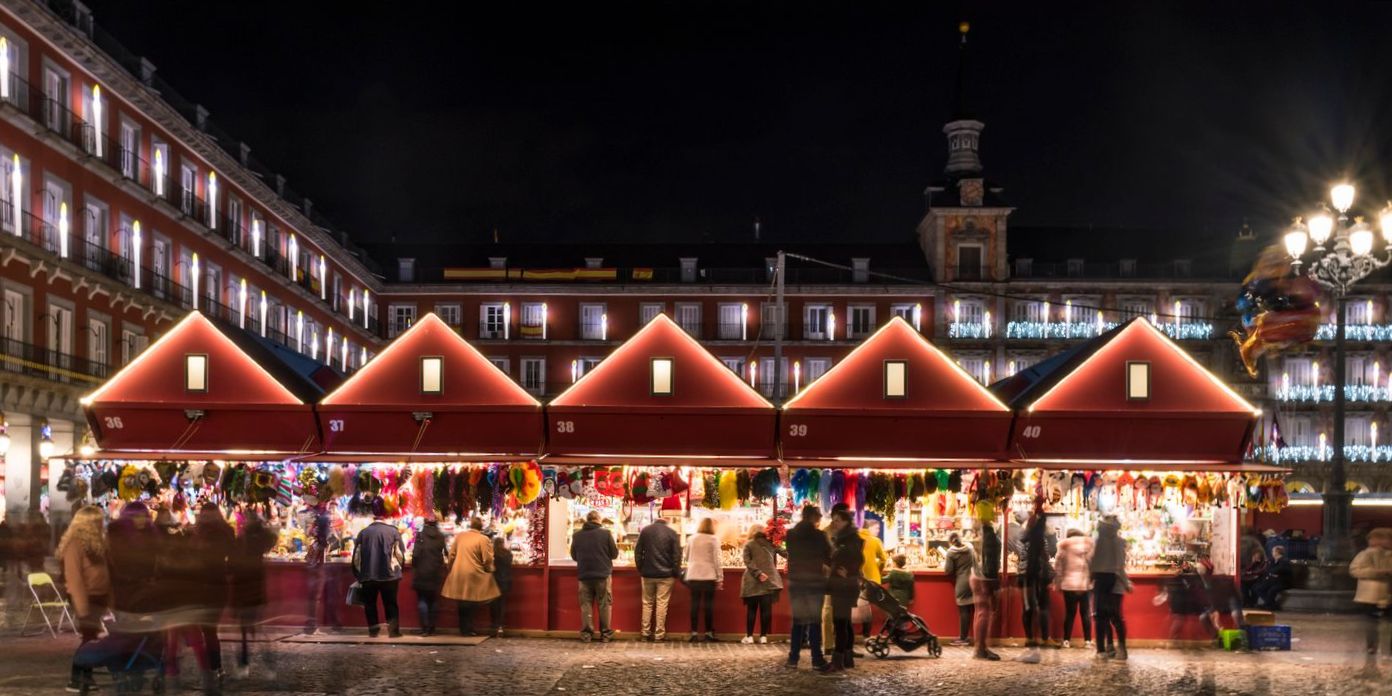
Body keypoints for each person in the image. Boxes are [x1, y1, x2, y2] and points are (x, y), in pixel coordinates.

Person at [58, 506, 110, 692]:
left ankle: (86, 677)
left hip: (98, 596)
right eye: (96, 521)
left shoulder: (97, 544)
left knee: (92, 637)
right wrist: (82, 606)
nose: (100, 524)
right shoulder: (75, 545)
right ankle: (76, 677)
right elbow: (74, 578)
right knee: (89, 638)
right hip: (86, 596)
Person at [229, 508, 278, 679]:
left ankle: (252, 663)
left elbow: (272, 538)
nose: (245, 521)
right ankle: (258, 663)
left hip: (250, 587)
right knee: (249, 629)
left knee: (251, 628)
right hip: (245, 587)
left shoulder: (252, 538)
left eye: (248, 519)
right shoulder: (246, 538)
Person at [785, 506, 831, 671]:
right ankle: (816, 660)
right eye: (818, 516)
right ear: (813, 517)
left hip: (796, 582)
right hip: (814, 582)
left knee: (798, 621)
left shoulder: (790, 534)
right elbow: (829, 556)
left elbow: (790, 553)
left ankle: (793, 659)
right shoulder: (820, 536)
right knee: (814, 621)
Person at [352, 498, 405, 638]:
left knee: (370, 604)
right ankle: (393, 632)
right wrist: (399, 570)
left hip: (368, 576)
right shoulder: (393, 532)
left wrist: (358, 575)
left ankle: (373, 631)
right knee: (391, 604)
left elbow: (357, 557)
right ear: (385, 516)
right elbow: (399, 555)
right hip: (389, 576)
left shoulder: (363, 533)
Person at [442, 516, 500, 636]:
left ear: (471, 525)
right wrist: (490, 569)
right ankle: (469, 629)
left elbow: (451, 554)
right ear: (481, 527)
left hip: (458, 573)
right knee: (472, 602)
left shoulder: (460, 536)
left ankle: (463, 628)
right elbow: (487, 559)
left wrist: (450, 568)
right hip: (474, 574)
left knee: (462, 602)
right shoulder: (483, 539)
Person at [570, 510, 618, 642]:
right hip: (603, 574)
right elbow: (614, 554)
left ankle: (586, 635)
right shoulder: (606, 534)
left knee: (586, 605)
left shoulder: (577, 535)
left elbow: (574, 556)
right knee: (604, 604)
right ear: (598, 520)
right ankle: (606, 635)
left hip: (584, 575)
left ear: (587, 520)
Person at [825, 508, 863, 674]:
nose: (835, 523)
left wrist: (849, 570)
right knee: (844, 622)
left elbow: (859, 558)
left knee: (840, 623)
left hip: (844, 585)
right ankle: (847, 658)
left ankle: (837, 661)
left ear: (846, 521)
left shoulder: (849, 539)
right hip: (843, 584)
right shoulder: (843, 538)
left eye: (838, 520)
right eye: (834, 520)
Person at [1018, 500, 1054, 663]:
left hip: (1025, 575)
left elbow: (1021, 556)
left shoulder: (1023, 540)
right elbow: (1047, 555)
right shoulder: (1042, 539)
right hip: (1039, 575)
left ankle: (1030, 637)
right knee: (1043, 606)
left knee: (1028, 608)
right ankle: (1045, 638)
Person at [634, 516, 681, 642]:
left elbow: (637, 552)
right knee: (662, 604)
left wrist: (641, 568)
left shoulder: (645, 531)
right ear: (667, 521)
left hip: (648, 573)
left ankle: (645, 633)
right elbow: (677, 555)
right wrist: (675, 572)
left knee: (647, 603)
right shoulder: (672, 533)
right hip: (666, 575)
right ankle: (659, 634)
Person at [1091, 513, 1129, 660]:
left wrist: (1091, 576)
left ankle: (1107, 648)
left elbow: (1092, 563)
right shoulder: (1117, 542)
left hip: (1104, 581)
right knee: (1112, 616)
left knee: (1104, 616)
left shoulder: (1099, 542)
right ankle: (1116, 647)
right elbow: (1119, 566)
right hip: (1114, 582)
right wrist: (1126, 584)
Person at [1350, 527, 1392, 655]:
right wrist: (1377, 573)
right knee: (1371, 622)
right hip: (1370, 595)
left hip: (1387, 594)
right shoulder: (1365, 554)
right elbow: (1355, 570)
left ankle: (1385, 647)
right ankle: (1372, 646)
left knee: (1385, 622)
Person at [302, 496, 341, 634]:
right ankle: (315, 624)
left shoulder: (318, 517)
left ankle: (314, 623)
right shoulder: (324, 518)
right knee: (320, 593)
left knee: (315, 594)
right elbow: (326, 539)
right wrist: (331, 541)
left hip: (317, 560)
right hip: (320, 561)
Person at [740, 521, 783, 644]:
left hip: (752, 581)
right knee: (766, 609)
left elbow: (747, 561)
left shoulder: (748, 544)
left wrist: (758, 573)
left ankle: (749, 636)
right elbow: (785, 553)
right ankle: (763, 636)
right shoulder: (771, 544)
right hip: (769, 581)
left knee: (752, 610)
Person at [683, 517, 722, 642]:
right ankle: (708, 633)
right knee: (708, 606)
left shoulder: (691, 538)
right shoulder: (714, 539)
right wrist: (720, 577)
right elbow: (717, 560)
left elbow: (686, 556)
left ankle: (694, 633)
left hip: (693, 575)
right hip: (709, 575)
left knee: (694, 605)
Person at [1054, 528, 1094, 648]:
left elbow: (1058, 566)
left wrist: (1058, 582)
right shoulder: (1088, 545)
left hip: (1069, 584)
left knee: (1070, 613)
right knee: (1085, 613)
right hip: (1084, 584)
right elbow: (1092, 564)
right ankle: (1087, 641)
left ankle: (1066, 640)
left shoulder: (1064, 546)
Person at [410, 516, 448, 636]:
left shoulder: (420, 536)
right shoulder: (441, 536)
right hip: (436, 572)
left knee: (422, 599)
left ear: (425, 523)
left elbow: (415, 555)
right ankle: (432, 627)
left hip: (422, 571)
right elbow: (445, 553)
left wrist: (415, 566)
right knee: (433, 600)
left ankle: (425, 628)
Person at [970, 520, 1002, 661]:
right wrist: (993, 581)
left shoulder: (978, 538)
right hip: (985, 578)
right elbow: (991, 562)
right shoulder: (992, 539)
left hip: (976, 576)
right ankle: (981, 649)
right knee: (984, 612)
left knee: (979, 612)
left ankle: (979, 647)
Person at [941, 532, 975, 647]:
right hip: (974, 580)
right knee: (974, 610)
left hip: (962, 582)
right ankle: (976, 636)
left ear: (950, 541)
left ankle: (963, 638)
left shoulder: (951, 552)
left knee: (964, 610)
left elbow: (948, 571)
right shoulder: (970, 547)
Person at [857, 519, 888, 641]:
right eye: (876, 528)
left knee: (853, 605)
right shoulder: (875, 541)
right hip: (872, 579)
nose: (878, 531)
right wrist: (878, 571)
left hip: (855, 578)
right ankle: (866, 634)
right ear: (869, 528)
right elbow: (884, 559)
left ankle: (849, 634)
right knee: (866, 606)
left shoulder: (854, 539)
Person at [488, 535, 513, 637]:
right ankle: (501, 626)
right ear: (503, 543)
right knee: (502, 604)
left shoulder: (492, 554)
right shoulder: (508, 554)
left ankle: (494, 625)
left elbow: (489, 566)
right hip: (506, 581)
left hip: (495, 581)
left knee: (494, 605)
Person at [1253, 545, 1292, 610]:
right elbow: (1268, 570)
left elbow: (1283, 570)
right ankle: (1272, 605)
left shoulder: (1284, 561)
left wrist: (1274, 572)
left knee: (1272, 590)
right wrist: (1273, 573)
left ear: (1277, 552)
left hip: (1282, 582)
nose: (1272, 552)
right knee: (1257, 588)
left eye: (1273, 551)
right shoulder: (1272, 560)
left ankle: (1268, 605)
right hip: (1273, 581)